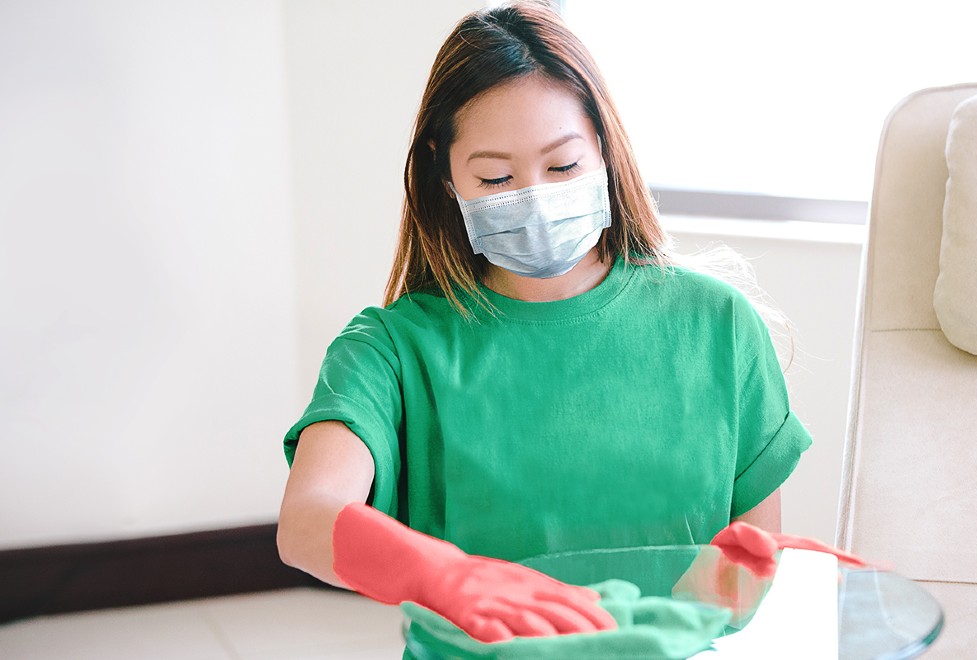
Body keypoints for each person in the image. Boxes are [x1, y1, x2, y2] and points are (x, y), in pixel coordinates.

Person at [277, 0, 813, 645]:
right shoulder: (393, 350)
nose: (533, 196)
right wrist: (446, 576)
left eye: (563, 167)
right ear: (446, 177)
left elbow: (746, 570)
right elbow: (308, 520)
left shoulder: (719, 327)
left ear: (606, 153)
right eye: (496, 177)